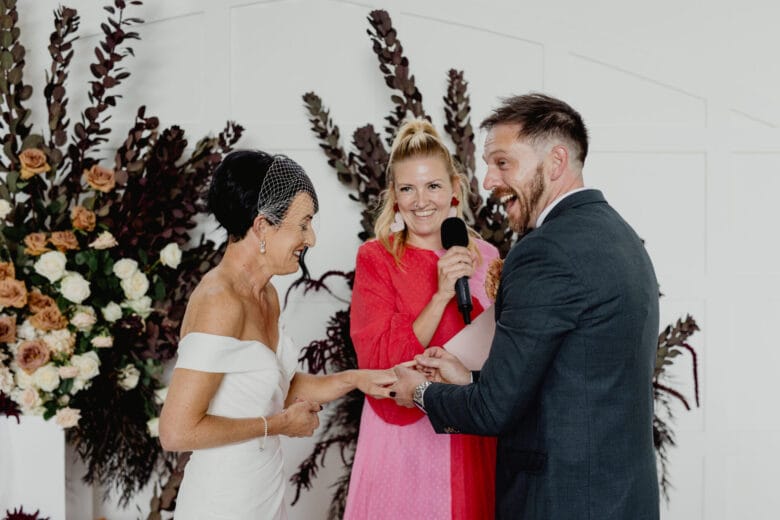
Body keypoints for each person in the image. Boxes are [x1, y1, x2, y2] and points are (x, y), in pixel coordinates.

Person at [392, 93, 661, 519]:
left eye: (503, 162)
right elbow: (576, 375)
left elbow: (492, 411)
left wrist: (419, 392)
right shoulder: (622, 236)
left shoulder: (544, 252)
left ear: (555, 162)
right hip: (623, 500)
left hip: (561, 503)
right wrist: (469, 378)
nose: (488, 181)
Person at [159, 150, 396, 519]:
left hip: (263, 492)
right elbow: (176, 431)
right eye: (303, 224)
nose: (311, 239)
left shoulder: (266, 293)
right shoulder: (220, 300)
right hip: (222, 503)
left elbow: (275, 386)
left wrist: (356, 379)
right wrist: (280, 425)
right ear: (262, 227)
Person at [344, 119, 500, 519]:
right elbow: (381, 365)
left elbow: (503, 354)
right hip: (403, 442)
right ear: (394, 197)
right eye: (407, 189)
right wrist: (441, 295)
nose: (421, 201)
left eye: (432, 186)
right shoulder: (377, 258)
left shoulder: (487, 257)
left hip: (469, 433)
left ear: (454, 189)